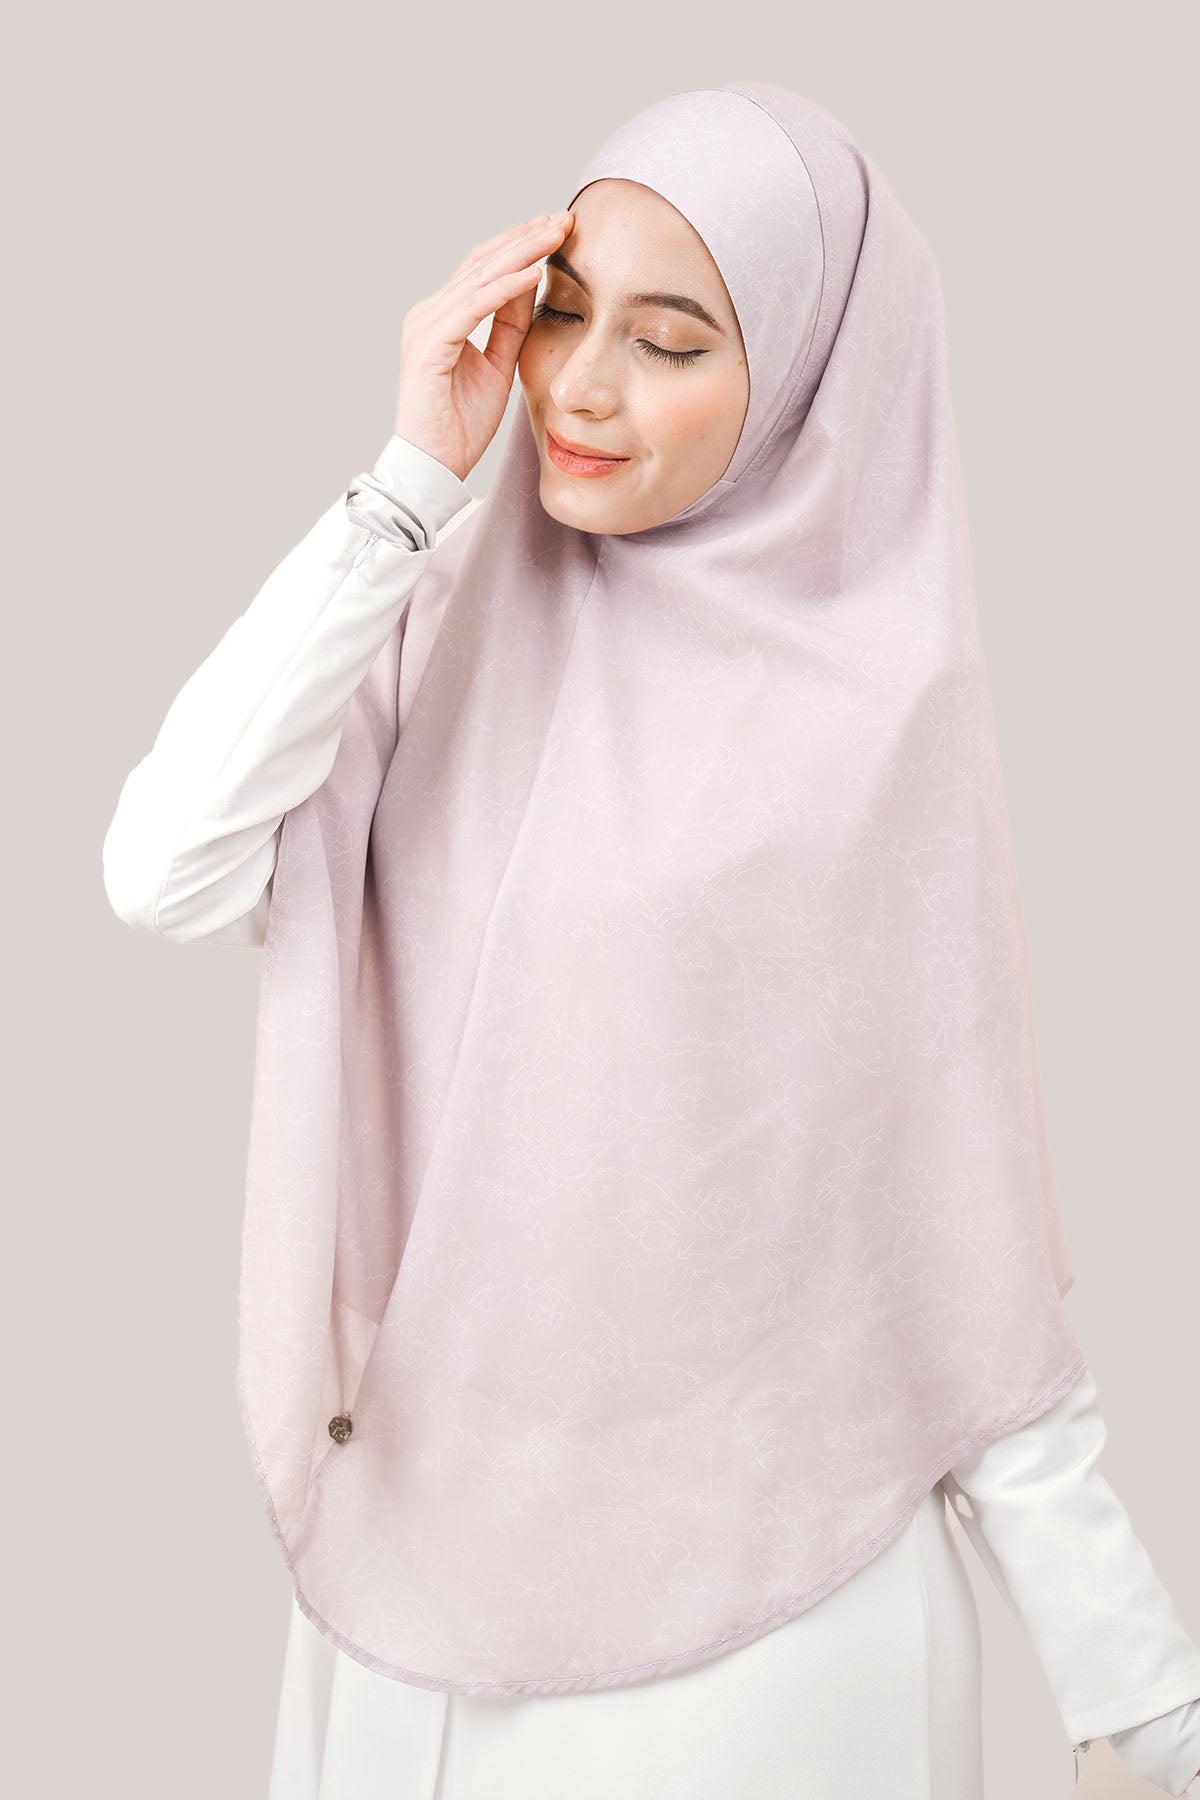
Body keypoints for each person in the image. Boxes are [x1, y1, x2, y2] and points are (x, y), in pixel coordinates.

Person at [102, 85, 1200, 1798]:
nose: (581, 387)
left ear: (812, 379)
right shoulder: (424, 626)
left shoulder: (877, 721)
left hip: (769, 1627)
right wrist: (407, 485)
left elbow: (952, 1236)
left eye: (671, 340)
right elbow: (163, 868)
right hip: (418, 1581)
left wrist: (1139, 1694)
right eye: (560, 312)